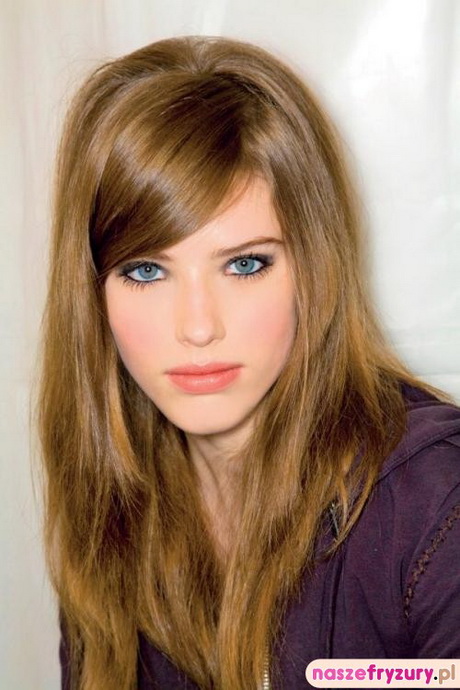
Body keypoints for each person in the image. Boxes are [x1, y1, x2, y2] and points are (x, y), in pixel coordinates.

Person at [38, 35, 460, 690]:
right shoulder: (111, 504)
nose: (198, 326)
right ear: (93, 293)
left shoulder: (437, 504)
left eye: (244, 264)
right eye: (146, 270)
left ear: (313, 269)